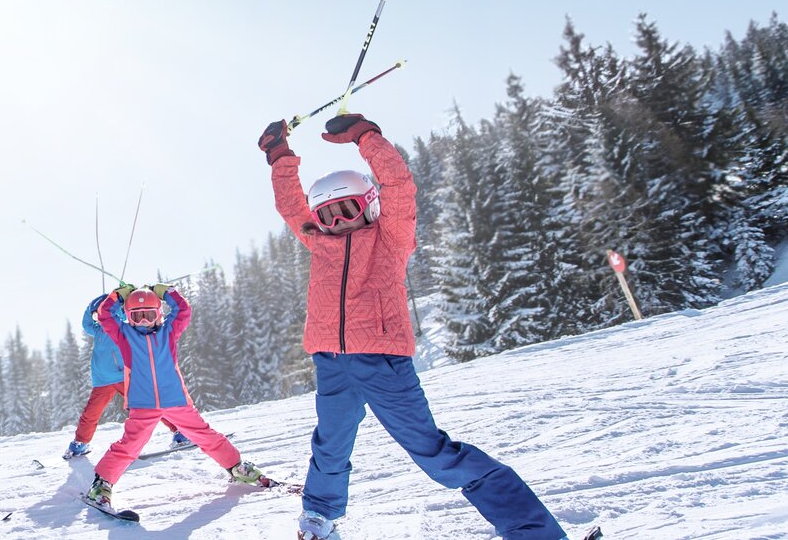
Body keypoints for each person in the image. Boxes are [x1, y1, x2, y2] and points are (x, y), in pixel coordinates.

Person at [261, 113, 573, 540]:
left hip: (382, 362)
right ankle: (319, 516)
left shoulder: (391, 237)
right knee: (329, 446)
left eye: (347, 209)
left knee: (434, 453)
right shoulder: (319, 241)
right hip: (331, 361)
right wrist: (279, 153)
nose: (338, 223)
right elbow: (291, 205)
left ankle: (533, 531)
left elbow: (400, 186)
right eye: (328, 215)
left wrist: (366, 137)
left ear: (368, 204)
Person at [82, 284, 267, 516]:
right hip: (143, 403)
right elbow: (105, 314)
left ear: (159, 314)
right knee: (130, 445)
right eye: (136, 316)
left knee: (206, 435)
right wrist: (119, 295)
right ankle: (102, 484)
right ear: (128, 318)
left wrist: (166, 292)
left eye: (149, 315)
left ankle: (236, 467)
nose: (143, 321)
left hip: (176, 400)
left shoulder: (168, 331)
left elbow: (183, 310)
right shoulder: (124, 335)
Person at [66, 293, 193, 460]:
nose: (99, 318)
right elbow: (86, 323)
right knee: (91, 413)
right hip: (102, 381)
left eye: (101, 313)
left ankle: (180, 430)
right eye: (96, 315)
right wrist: (94, 304)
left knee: (148, 406)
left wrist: (119, 300)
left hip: (125, 377)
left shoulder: (122, 328)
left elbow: (124, 317)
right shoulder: (96, 331)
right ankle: (80, 443)